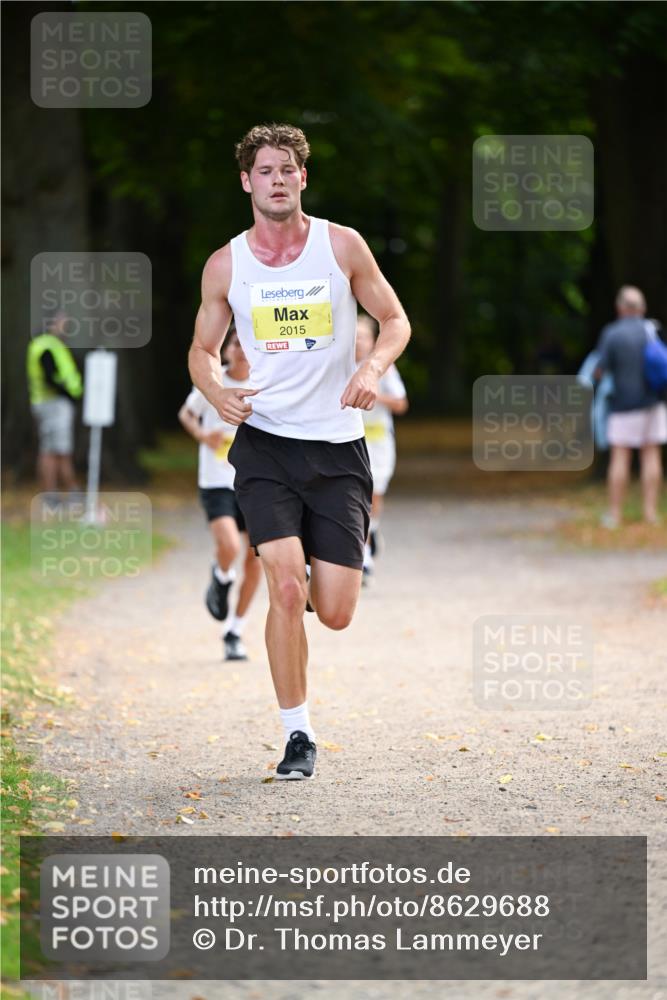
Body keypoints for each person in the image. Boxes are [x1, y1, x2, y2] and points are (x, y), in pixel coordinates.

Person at [188, 123, 410, 780]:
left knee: (334, 611)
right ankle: (297, 736)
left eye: (287, 168)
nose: (277, 179)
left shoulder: (341, 246)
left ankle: (315, 581)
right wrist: (217, 390)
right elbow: (201, 351)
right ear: (246, 181)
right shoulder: (226, 264)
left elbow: (394, 320)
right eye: (265, 170)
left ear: (302, 178)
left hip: (338, 449)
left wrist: (369, 369)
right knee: (285, 587)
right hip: (266, 447)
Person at [179, 326, 262, 661]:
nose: (240, 349)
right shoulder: (214, 382)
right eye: (235, 343)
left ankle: (234, 629)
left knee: (256, 559)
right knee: (228, 545)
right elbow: (187, 414)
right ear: (226, 350)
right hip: (216, 480)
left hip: (256, 482)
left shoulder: (263, 384)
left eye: (246, 344)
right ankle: (221, 575)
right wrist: (203, 436)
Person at [595, 285, 666, 527]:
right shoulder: (652, 330)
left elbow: (599, 370)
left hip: (623, 404)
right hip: (653, 403)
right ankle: (651, 513)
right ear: (642, 308)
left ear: (620, 308)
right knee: (651, 455)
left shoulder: (612, 333)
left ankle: (614, 515)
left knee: (620, 458)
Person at [355, 312, 408, 578]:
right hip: (352, 443)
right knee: (358, 496)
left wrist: (375, 394)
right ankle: (363, 555)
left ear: (373, 340)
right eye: (353, 337)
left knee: (374, 496)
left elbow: (401, 403)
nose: (357, 342)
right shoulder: (338, 365)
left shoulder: (384, 367)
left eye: (362, 337)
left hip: (379, 443)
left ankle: (372, 530)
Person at [27, 312, 83, 497]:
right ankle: (58, 492)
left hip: (51, 404)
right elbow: (50, 377)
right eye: (63, 323)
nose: (65, 327)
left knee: (53, 449)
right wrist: (67, 394)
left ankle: (56, 492)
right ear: (51, 324)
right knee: (56, 451)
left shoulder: (48, 345)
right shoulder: (47, 347)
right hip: (53, 404)